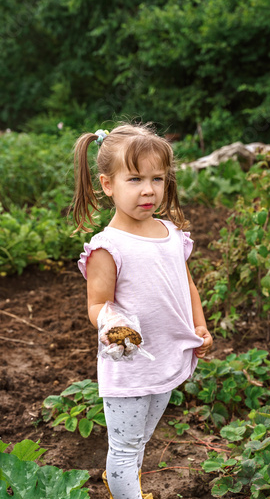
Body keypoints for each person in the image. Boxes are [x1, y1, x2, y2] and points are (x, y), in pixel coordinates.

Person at [73, 123, 213, 499]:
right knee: (125, 446)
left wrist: (199, 326)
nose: (148, 190)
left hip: (164, 356)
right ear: (107, 184)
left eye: (158, 179)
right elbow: (97, 304)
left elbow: (187, 285)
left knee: (143, 437)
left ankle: (125, 484)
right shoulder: (108, 246)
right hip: (130, 362)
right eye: (134, 179)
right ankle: (124, 486)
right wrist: (113, 323)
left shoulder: (170, 233)